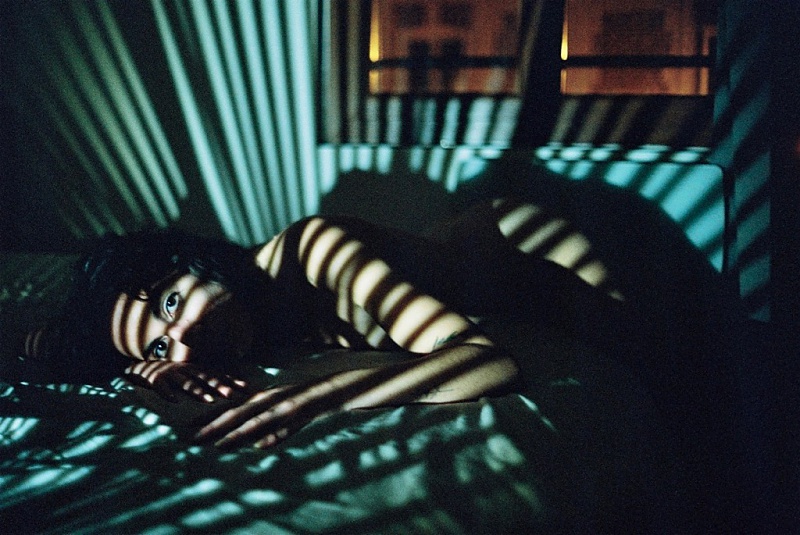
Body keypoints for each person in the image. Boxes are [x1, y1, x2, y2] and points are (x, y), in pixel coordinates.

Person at [24, 199, 642, 449]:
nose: (184, 339)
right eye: (164, 344)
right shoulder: (219, 336)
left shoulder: (312, 248)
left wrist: (311, 398)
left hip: (536, 260)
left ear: (194, 261)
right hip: (445, 251)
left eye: (168, 304)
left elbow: (489, 360)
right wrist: (150, 365)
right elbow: (41, 344)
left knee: (652, 367)